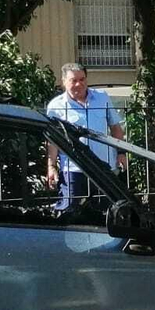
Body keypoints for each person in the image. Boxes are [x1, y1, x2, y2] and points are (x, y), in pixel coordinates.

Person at [45, 63, 126, 205]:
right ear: (64, 82)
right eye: (73, 80)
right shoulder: (55, 106)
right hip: (74, 169)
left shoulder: (102, 98)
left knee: (107, 211)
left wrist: (121, 153)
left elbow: (115, 127)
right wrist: (51, 166)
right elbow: (52, 141)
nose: (79, 84)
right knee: (70, 210)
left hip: (104, 167)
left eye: (82, 79)